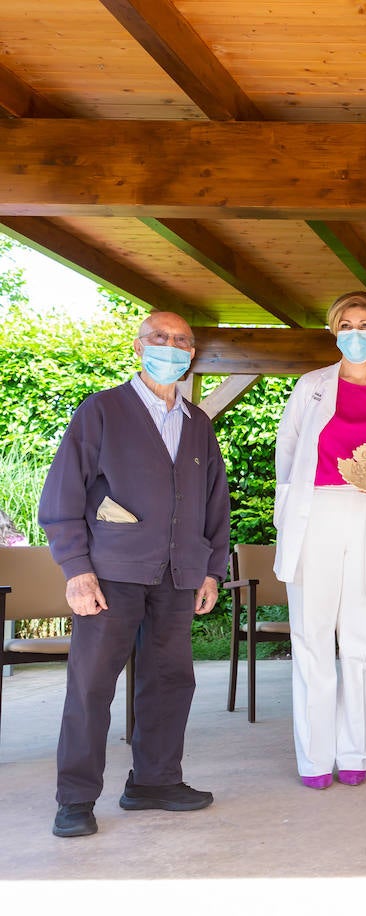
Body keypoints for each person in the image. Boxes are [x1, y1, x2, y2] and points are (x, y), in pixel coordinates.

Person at [38, 311, 229, 838]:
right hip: (110, 575)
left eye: (181, 341)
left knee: (170, 682)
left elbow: (216, 504)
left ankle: (154, 782)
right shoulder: (102, 411)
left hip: (177, 576)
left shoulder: (197, 423)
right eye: (160, 338)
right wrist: (76, 570)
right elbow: (61, 498)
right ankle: (75, 799)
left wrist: (211, 570)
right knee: (92, 686)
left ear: (192, 354)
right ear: (139, 345)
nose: (170, 347)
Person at [273, 291, 366, 790]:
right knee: (312, 641)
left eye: (365, 325)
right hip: (315, 516)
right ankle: (315, 759)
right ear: (335, 332)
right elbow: (288, 454)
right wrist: (288, 515)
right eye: (346, 324)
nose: (355, 333)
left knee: (359, 644)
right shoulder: (310, 387)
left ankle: (355, 753)